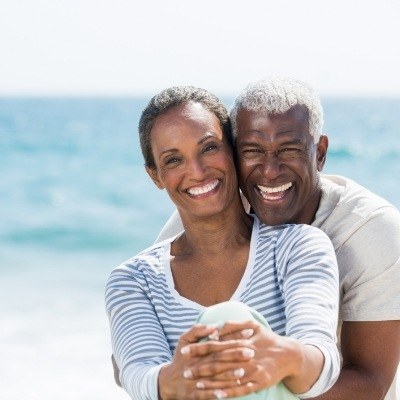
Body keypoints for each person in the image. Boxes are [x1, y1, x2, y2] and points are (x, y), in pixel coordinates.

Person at [156, 78, 400, 400]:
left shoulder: (371, 230)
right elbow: (148, 350)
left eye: (289, 150)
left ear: (320, 153)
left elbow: (369, 382)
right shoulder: (209, 213)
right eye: (252, 151)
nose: (270, 171)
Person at [105, 86, 340, 399]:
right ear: (155, 176)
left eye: (209, 148)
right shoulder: (134, 281)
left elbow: (320, 356)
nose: (198, 172)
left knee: (229, 319)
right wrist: (175, 378)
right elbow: (137, 372)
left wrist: (284, 357)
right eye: (174, 160)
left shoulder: (297, 246)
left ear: (233, 151)